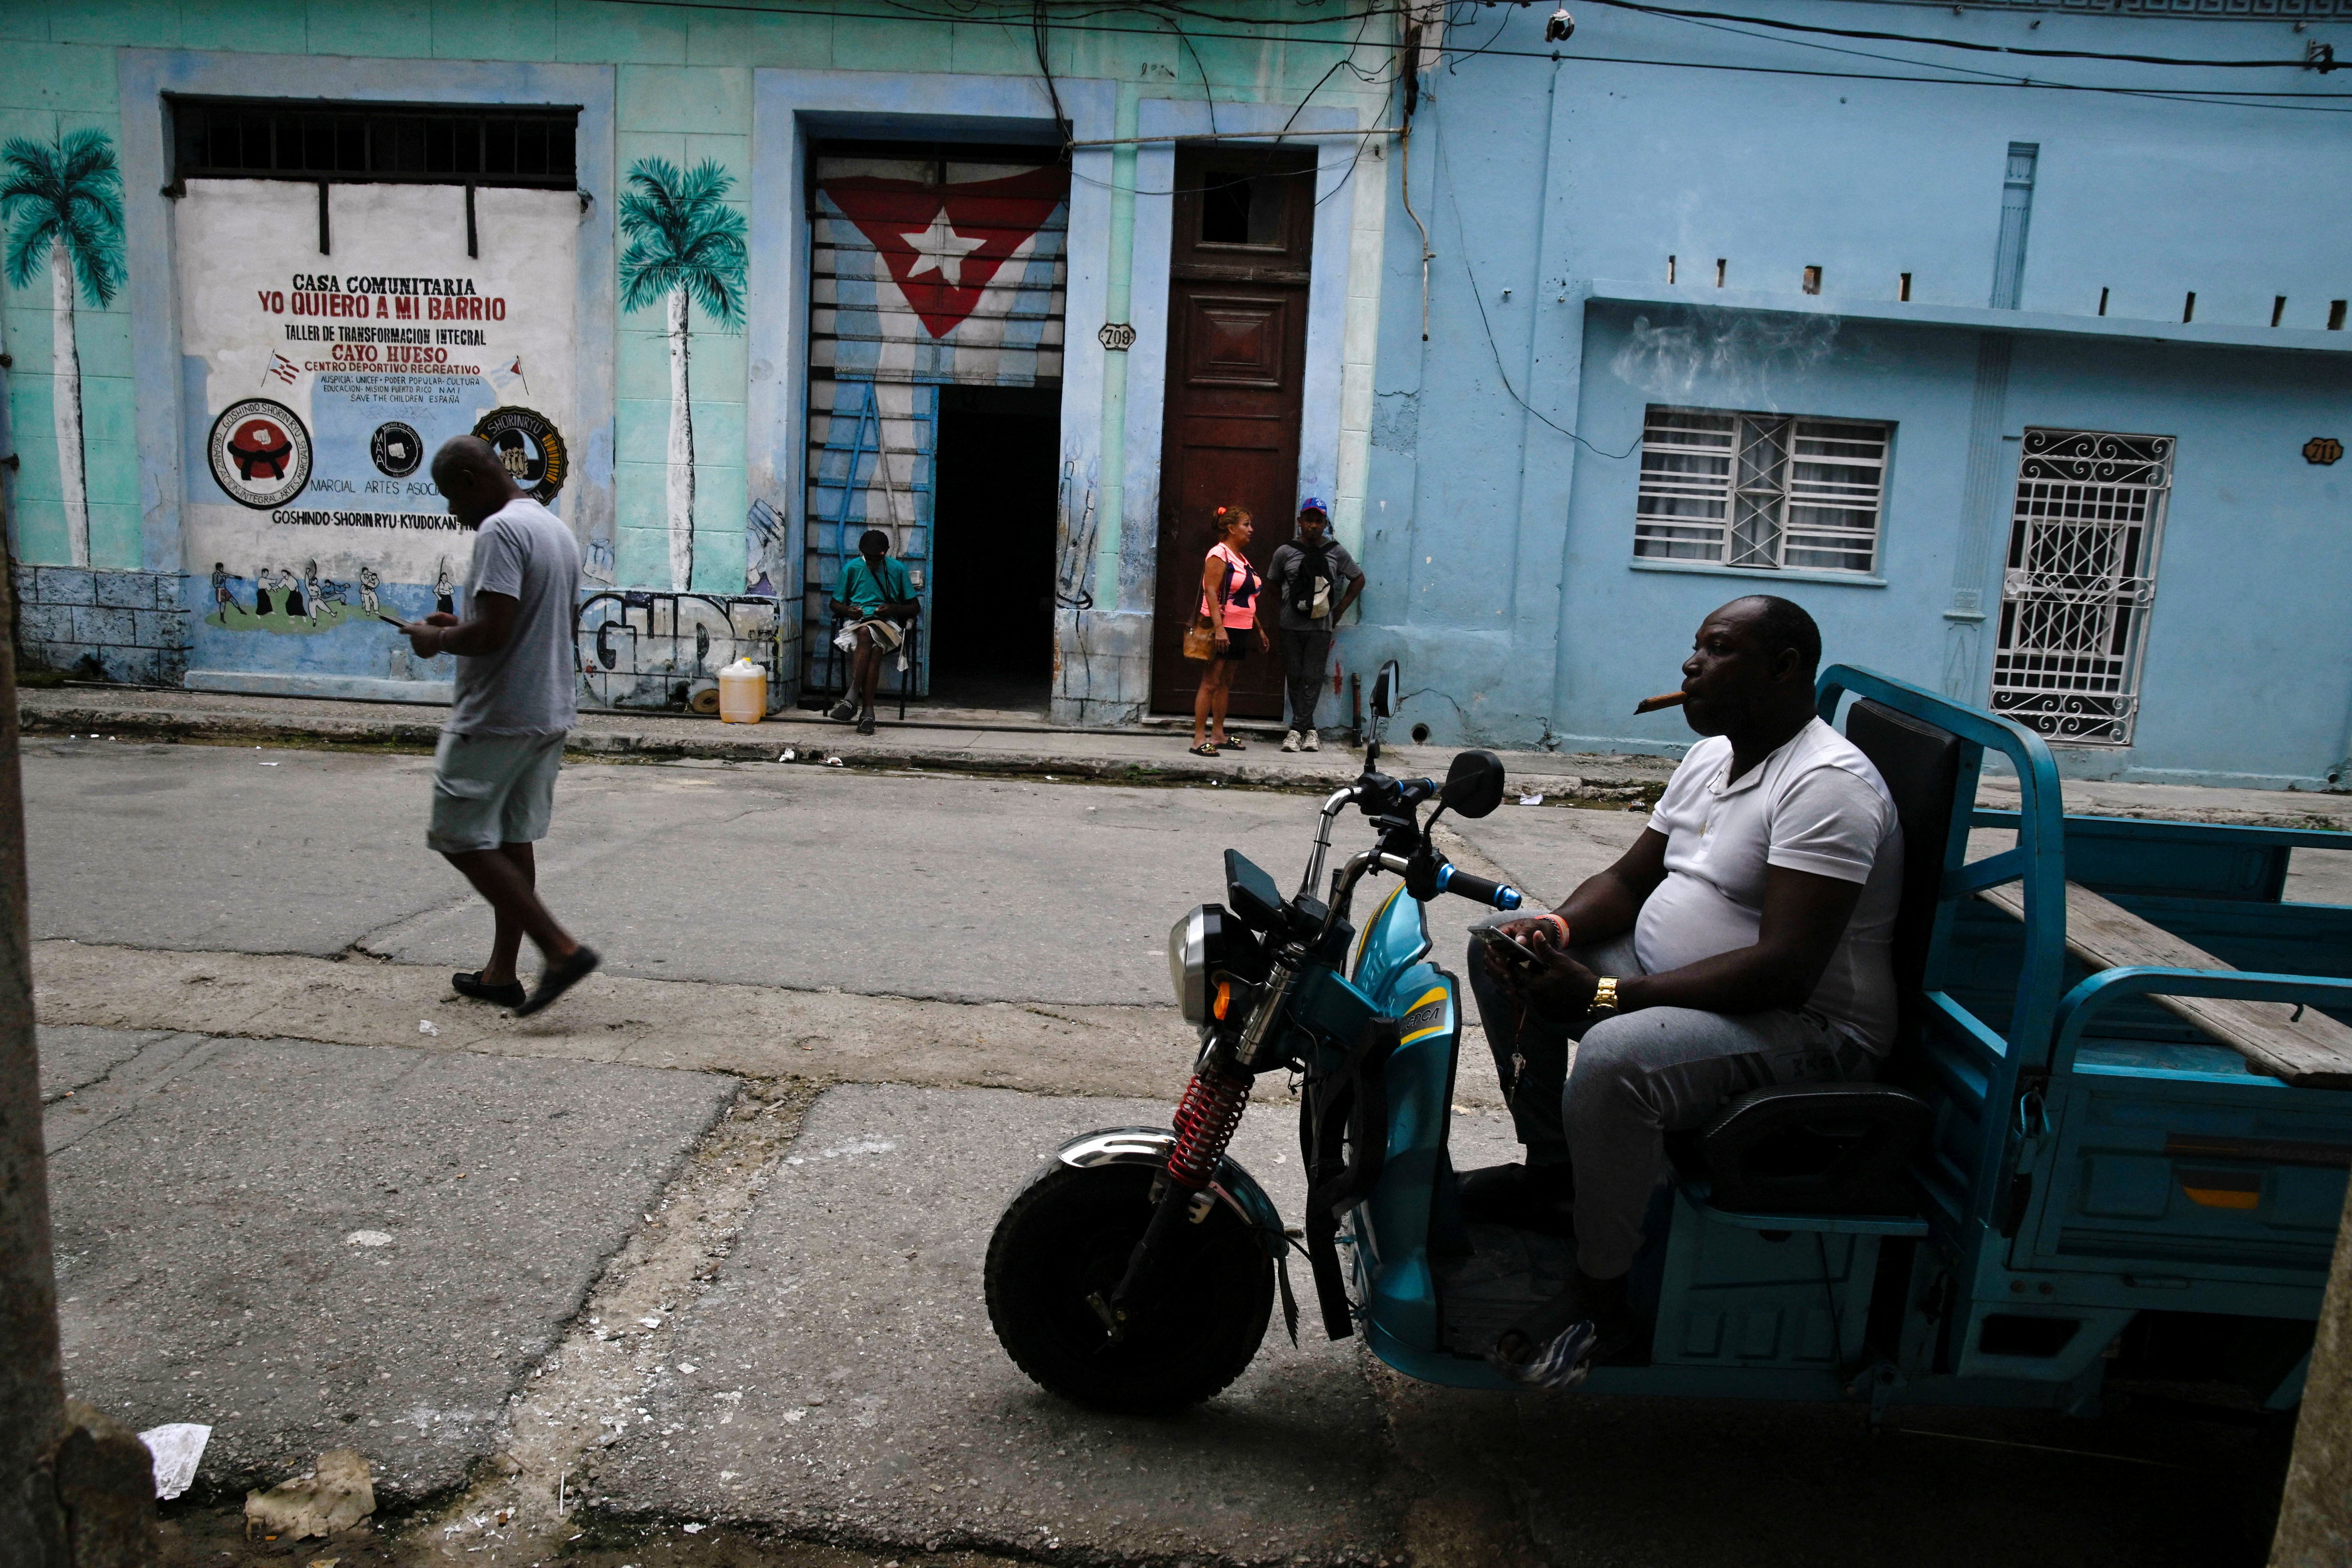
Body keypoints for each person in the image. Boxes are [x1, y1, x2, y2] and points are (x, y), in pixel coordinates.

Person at [1462, 595, 1902, 1388]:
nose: (1689, 664)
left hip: (1809, 1028)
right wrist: (1556, 931)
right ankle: (1554, 1178)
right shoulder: (1713, 756)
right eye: (1695, 645)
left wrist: (1602, 997)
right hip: (1692, 982)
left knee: (1613, 1057)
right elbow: (1632, 877)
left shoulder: (1826, 784)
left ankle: (1603, 1296)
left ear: (1784, 666)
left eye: (1717, 648)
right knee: (1502, 949)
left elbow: (1785, 969)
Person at [398, 435, 598, 1018]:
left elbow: (494, 635)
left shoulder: (499, 532)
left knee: (458, 836)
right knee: (513, 838)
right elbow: (526, 621)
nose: (451, 512)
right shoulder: (550, 527)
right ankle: (501, 973)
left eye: (448, 496)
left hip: (499, 713)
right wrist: (460, 625)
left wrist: (436, 639)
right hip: (547, 709)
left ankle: (560, 950)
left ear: (468, 477)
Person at [1261, 498, 1365, 753]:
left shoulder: (1335, 552)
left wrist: (1339, 610)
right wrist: (1287, 603)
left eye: (1318, 521)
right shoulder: (1286, 551)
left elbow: (1358, 579)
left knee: (1313, 677)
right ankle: (1308, 731)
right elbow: (1271, 582)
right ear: (1300, 522)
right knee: (1294, 676)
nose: (1313, 526)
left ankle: (1297, 731)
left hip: (1320, 627)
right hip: (1290, 626)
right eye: (1309, 520)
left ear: (1325, 524)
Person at [1189, 505, 1269, 758]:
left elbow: (1245, 597)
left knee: (1225, 683)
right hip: (1223, 628)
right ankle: (1199, 738)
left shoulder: (1241, 558)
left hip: (1241, 628)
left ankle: (1219, 734)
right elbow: (1211, 591)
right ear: (1232, 528)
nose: (1251, 530)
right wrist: (1219, 628)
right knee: (1211, 682)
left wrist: (1259, 629)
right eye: (1246, 525)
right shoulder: (1219, 553)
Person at [827, 528, 917, 736]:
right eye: (869, 559)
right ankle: (868, 713)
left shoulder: (898, 570)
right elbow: (834, 604)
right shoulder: (851, 569)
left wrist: (893, 609)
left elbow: (914, 607)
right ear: (862, 553)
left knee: (868, 633)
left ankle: (852, 697)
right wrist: (849, 610)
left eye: (877, 559)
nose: (873, 563)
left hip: (888, 626)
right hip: (857, 625)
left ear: (885, 553)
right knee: (872, 644)